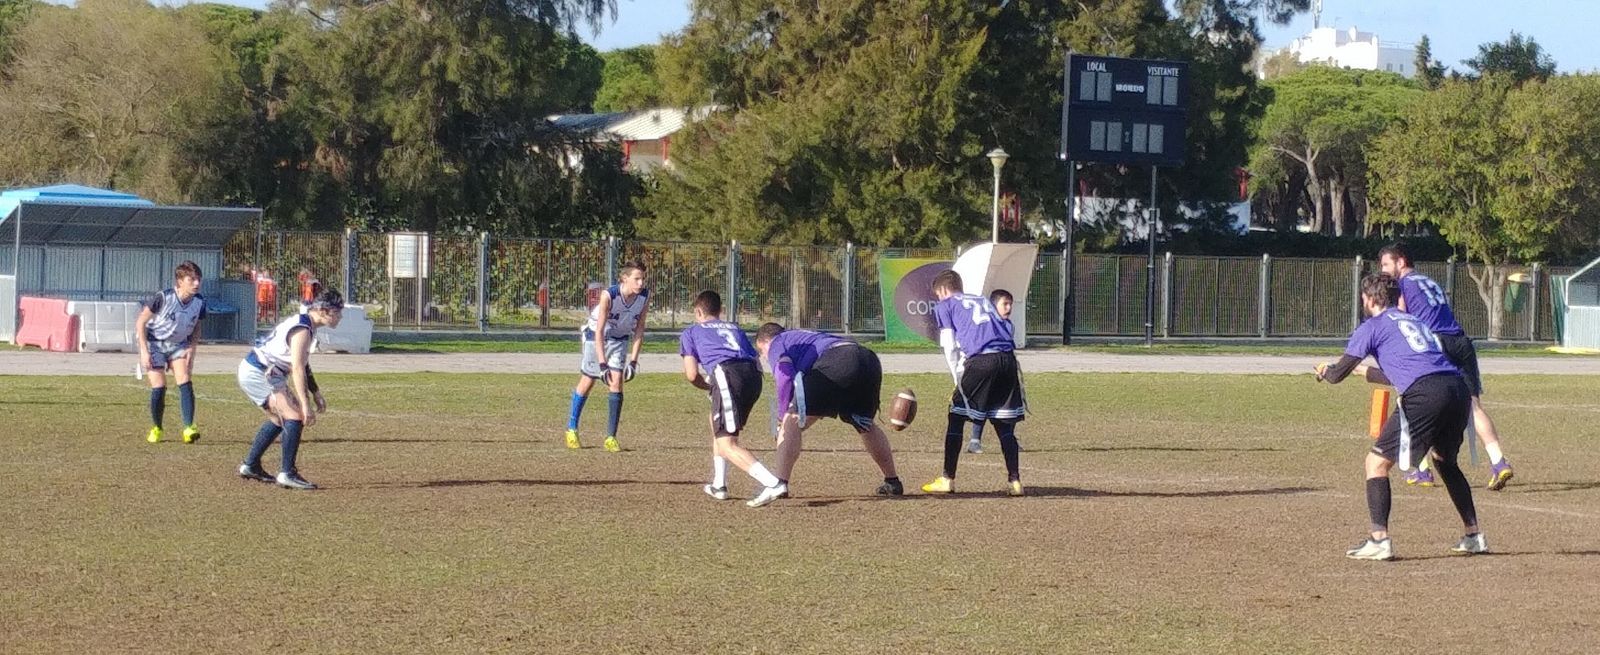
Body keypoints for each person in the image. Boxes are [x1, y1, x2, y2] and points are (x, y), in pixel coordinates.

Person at [1315, 273, 1485, 561]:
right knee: (1444, 460)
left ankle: (1379, 540)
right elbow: (1402, 372)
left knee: (1376, 463)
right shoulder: (1414, 321)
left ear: (1369, 299)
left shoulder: (1372, 326)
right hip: (1456, 388)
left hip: (1425, 392)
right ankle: (1474, 535)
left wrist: (1324, 371)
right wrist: (1362, 371)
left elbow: (1336, 375)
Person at [1378, 243, 1515, 490]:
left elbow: (1402, 320)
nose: (1384, 271)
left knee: (1419, 403)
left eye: (1386, 264)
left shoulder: (1401, 286)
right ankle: (1499, 462)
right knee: (1473, 406)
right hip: (1461, 341)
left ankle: (1422, 470)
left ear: (1401, 262)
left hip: (1437, 344)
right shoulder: (1429, 281)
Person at [751, 323, 903, 507]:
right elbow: (815, 406)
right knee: (865, 425)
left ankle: (780, 483)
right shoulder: (804, 336)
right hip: (867, 360)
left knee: (790, 419)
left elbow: (785, 377)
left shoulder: (777, 342)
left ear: (765, 341)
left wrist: (782, 416)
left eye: (762, 352)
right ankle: (892, 481)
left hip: (837, 361)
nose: (766, 357)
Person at [923, 272, 1027, 496]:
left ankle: (947, 478)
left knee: (956, 416)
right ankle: (1015, 481)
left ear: (942, 291)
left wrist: (957, 379)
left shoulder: (946, 306)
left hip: (981, 361)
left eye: (938, 295)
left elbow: (950, 346)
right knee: (1002, 424)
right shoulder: (981, 300)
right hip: (1008, 360)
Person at [679, 290, 786, 504]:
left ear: (698, 311)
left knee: (727, 443)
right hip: (753, 376)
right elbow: (753, 357)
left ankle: (773, 483)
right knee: (717, 423)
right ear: (720, 311)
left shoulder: (691, 332)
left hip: (727, 374)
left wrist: (709, 386)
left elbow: (691, 375)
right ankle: (719, 484)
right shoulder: (734, 327)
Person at [236, 289, 345, 490]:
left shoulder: (307, 324)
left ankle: (250, 465)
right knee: (294, 417)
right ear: (322, 310)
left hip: (263, 371)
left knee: (279, 419)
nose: (340, 316)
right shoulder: (303, 328)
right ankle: (287, 473)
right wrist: (305, 405)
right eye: (337, 312)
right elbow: (296, 367)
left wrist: (316, 392)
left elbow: (303, 363)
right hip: (258, 372)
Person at [565, 261, 649, 452]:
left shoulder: (644, 296)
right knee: (588, 381)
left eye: (643, 278)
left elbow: (640, 328)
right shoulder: (609, 296)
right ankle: (571, 429)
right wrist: (602, 364)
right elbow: (599, 330)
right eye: (637, 278)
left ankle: (611, 437)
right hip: (596, 337)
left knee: (617, 382)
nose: (640, 283)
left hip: (620, 339)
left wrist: (634, 361)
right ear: (624, 278)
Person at [136, 260, 208, 444]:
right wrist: (144, 351)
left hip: (179, 344)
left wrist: (192, 346)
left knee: (184, 380)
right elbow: (141, 322)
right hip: (155, 343)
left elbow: (197, 325)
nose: (197, 283)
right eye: (191, 279)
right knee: (159, 387)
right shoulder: (163, 297)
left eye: (198, 279)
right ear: (180, 281)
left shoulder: (199, 302)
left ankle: (188, 428)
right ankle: (157, 427)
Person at [967, 288, 1017, 454]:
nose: (1008, 308)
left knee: (1008, 405)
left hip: (1005, 368)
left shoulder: (1009, 326)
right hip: (987, 368)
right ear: (993, 306)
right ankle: (975, 441)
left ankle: (1009, 438)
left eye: (1010, 304)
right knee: (982, 402)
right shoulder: (985, 324)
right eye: (1005, 304)